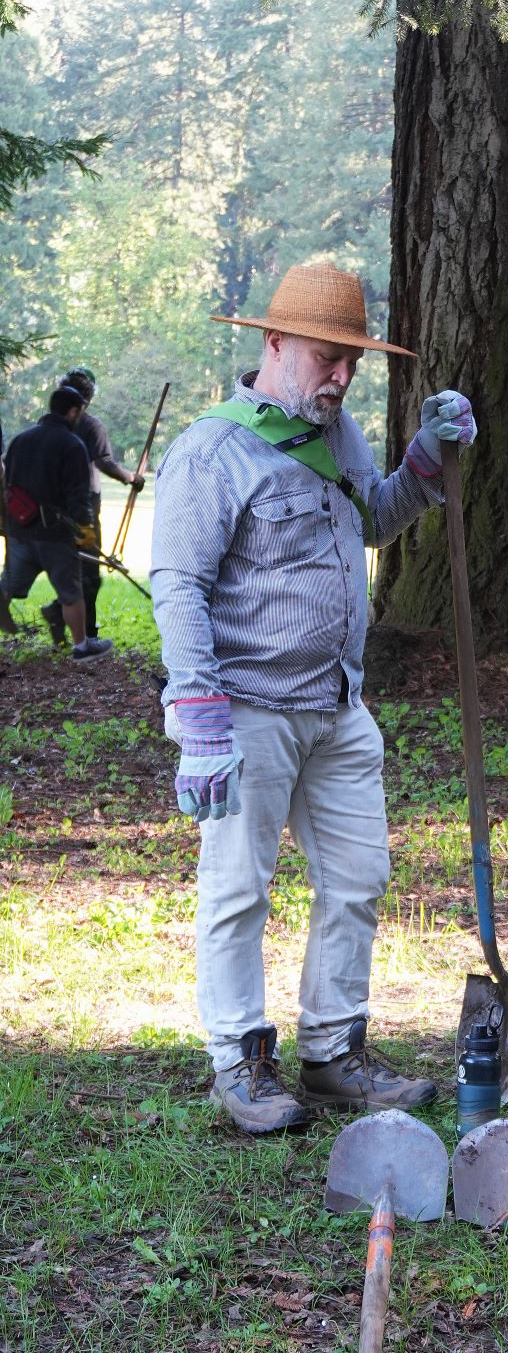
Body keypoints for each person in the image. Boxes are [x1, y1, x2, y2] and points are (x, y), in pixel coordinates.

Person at [150, 261, 478, 1137]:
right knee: (238, 891)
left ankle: (333, 1052)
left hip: (338, 707)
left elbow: (373, 519)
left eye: (352, 363)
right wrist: (199, 723)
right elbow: (178, 587)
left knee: (359, 880)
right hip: (247, 709)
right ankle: (240, 1060)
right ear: (273, 343)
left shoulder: (339, 436)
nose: (340, 377)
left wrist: (425, 458)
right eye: (327, 358)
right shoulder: (212, 451)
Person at [0, 384, 114, 661]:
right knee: (70, 593)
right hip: (55, 534)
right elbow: (78, 495)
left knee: (8, 586)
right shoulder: (72, 445)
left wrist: (8, 523)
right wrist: (85, 528)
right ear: (73, 411)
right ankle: (82, 647)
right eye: (80, 412)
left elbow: (7, 486)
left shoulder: (20, 440)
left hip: (19, 531)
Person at [39, 367, 145, 647]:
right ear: (87, 397)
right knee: (88, 573)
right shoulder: (90, 425)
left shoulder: (45, 423)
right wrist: (131, 478)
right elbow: (103, 462)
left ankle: (61, 616)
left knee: (68, 568)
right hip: (82, 507)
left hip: (52, 509)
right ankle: (85, 633)